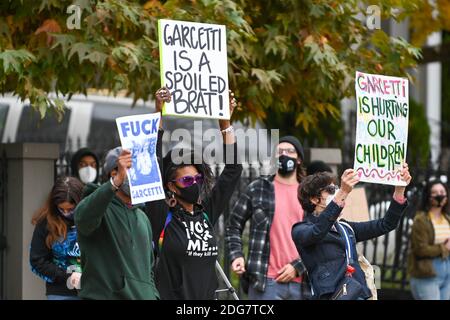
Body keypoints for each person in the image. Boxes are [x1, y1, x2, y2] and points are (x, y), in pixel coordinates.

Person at [145, 87, 242, 300]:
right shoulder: (161, 216)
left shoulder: (206, 212)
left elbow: (233, 170)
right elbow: (152, 165)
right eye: (187, 180)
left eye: (197, 179)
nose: (194, 184)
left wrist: (225, 124)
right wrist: (158, 114)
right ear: (170, 185)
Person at [291, 165, 411, 300]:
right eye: (330, 190)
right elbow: (317, 232)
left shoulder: (345, 228)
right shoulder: (300, 229)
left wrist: (399, 191)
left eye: (336, 188)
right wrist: (342, 192)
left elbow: (386, 224)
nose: (336, 192)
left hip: (358, 293)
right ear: (314, 199)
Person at [225, 136, 307, 300]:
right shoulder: (257, 189)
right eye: (279, 152)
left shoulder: (309, 195)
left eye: (290, 151)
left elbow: (320, 237)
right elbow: (233, 225)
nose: (284, 155)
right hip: (265, 283)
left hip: (302, 283)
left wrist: (298, 267)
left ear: (298, 159)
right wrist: (237, 255)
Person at [74, 145, 159, 299]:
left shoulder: (143, 217)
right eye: (134, 169)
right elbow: (83, 218)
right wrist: (117, 181)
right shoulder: (98, 208)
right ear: (114, 173)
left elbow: (149, 270)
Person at [30, 176, 84, 300]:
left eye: (70, 209)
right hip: (60, 292)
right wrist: (66, 276)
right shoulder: (46, 222)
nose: (66, 213)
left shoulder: (90, 218)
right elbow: (36, 260)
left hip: (92, 289)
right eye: (61, 209)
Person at [408, 179, 450, 300]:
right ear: (428, 196)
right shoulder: (421, 220)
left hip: (447, 270)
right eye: (435, 192)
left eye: (442, 191)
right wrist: (444, 247)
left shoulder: (447, 218)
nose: (439, 195)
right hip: (428, 272)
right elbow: (420, 250)